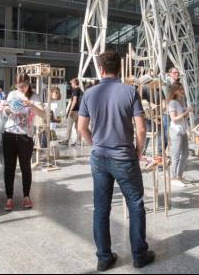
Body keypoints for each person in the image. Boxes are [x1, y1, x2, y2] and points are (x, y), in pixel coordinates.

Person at [78, 52, 154, 271]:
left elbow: (82, 128)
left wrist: (95, 144)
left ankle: (104, 257)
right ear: (119, 69)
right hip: (124, 158)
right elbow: (141, 128)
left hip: (99, 158)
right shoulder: (131, 92)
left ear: (101, 69)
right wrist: (139, 151)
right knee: (136, 204)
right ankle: (139, 255)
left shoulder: (89, 93)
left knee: (101, 208)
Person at [1, 74, 45, 211]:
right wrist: (7, 109)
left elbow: (43, 114)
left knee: (26, 167)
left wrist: (31, 105)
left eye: (24, 86)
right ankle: (9, 198)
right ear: (16, 85)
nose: (22, 89)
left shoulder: (34, 96)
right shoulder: (12, 94)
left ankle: (26, 196)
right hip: (9, 133)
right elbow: (5, 112)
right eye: (19, 86)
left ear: (28, 84)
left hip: (25, 136)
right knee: (9, 167)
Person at [167, 83, 193, 187]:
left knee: (185, 153)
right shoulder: (172, 103)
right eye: (181, 89)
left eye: (182, 88)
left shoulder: (181, 101)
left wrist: (187, 112)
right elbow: (174, 118)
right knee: (176, 155)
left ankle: (179, 176)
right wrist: (186, 111)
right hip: (175, 131)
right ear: (175, 91)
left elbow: (183, 117)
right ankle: (173, 178)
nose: (183, 91)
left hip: (183, 130)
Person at [59, 78, 83, 146]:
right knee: (77, 127)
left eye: (72, 83)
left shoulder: (75, 90)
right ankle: (78, 141)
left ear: (75, 83)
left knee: (69, 126)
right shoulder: (80, 90)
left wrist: (71, 110)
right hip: (80, 111)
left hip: (74, 111)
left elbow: (74, 101)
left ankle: (66, 140)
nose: (71, 85)